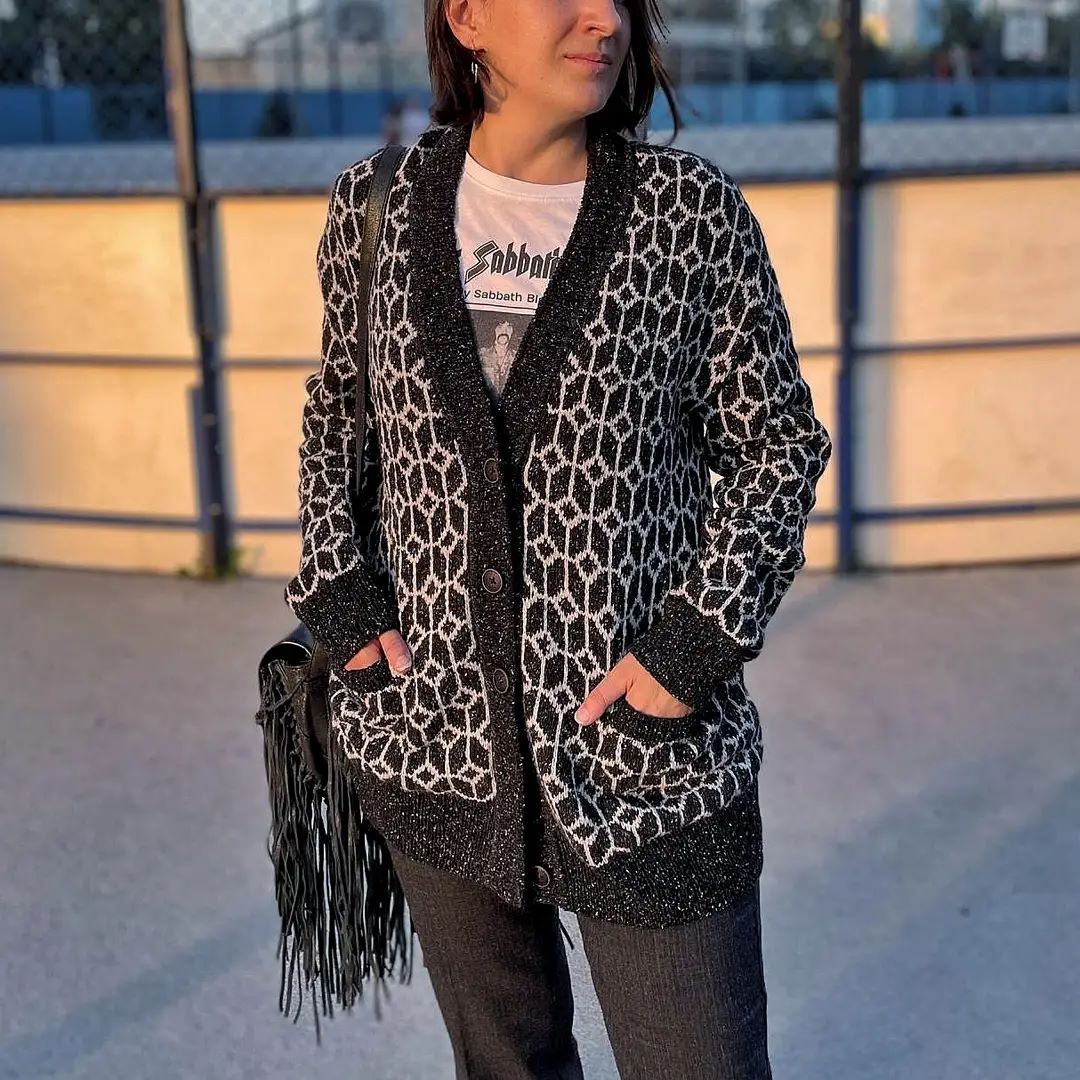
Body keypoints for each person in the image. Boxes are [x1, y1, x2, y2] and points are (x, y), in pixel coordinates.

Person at [284, 0, 832, 1076]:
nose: (604, 18)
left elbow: (776, 446)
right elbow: (340, 415)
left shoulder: (687, 214)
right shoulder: (375, 206)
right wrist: (341, 595)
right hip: (435, 734)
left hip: (645, 762)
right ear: (468, 16)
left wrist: (690, 651)